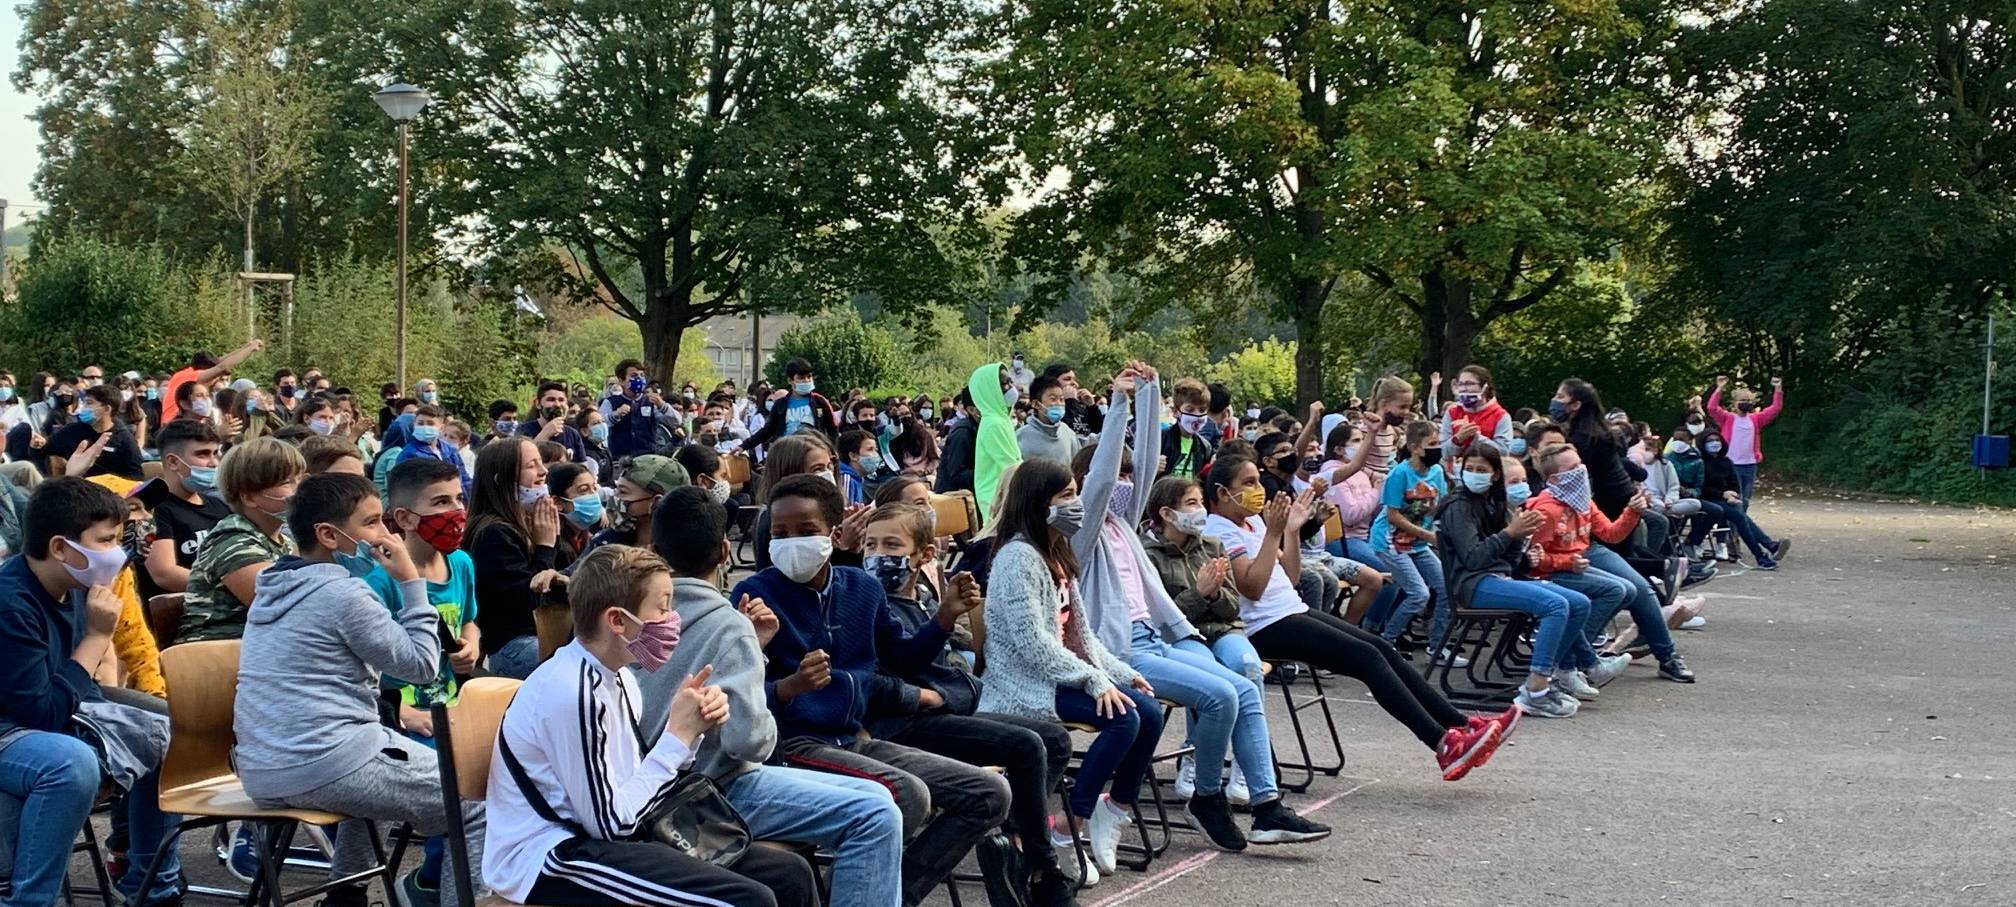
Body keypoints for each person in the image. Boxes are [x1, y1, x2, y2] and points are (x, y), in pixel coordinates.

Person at [1068, 365, 1328, 850]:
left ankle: (1265, 806)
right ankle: (1207, 796)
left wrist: (1150, 395)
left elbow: (1146, 465)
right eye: (1115, 476)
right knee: (1221, 696)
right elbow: (1102, 480)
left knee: (1243, 687)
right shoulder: (1078, 535)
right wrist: (1118, 403)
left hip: (1162, 637)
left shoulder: (1124, 525)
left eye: (1130, 476)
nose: (1126, 482)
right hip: (1120, 651)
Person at [732, 475, 1008, 905]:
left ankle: (889, 893)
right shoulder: (754, 595)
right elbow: (738, 698)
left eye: (807, 532)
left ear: (835, 534)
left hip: (855, 736)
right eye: (780, 534)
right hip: (794, 742)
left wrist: (944, 618)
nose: (792, 543)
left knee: (989, 794)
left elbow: (902, 659)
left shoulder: (861, 586)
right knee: (906, 796)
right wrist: (790, 687)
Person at [638, 487, 906, 907]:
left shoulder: (631, 616)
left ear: (654, 551)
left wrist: (755, 650)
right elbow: (750, 742)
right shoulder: (729, 624)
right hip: (707, 790)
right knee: (877, 817)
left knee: (877, 797)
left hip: (659, 785)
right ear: (726, 551)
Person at [231, 473, 485, 907]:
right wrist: (410, 583)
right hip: (324, 763)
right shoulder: (344, 594)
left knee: (381, 766)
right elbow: (423, 667)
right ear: (329, 535)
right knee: (477, 802)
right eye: (371, 524)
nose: (385, 535)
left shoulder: (274, 585)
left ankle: (345, 897)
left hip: (262, 767)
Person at [1200, 454, 1513, 781]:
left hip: (1290, 609)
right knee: (1367, 658)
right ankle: (1442, 744)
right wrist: (1272, 535)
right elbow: (1252, 587)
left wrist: (1290, 531)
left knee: (1382, 648)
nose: (1257, 489)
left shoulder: (1255, 522)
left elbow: (1290, 577)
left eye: (1256, 480)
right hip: (1263, 626)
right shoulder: (1219, 530)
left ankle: (1461, 725)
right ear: (1223, 493)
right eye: (1247, 483)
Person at [858, 503, 1080, 905]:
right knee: (1026, 746)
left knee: (1055, 741)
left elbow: (955, 671)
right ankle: (1039, 864)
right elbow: (876, 678)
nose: (878, 555)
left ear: (924, 555)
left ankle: (1013, 844)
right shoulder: (869, 601)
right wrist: (927, 694)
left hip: (939, 709)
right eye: (870, 545)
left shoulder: (923, 597)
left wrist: (947, 686)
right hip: (898, 724)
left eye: (891, 544)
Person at [0, 477, 185, 907]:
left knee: (166, 727)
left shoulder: (73, 586)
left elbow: (81, 692)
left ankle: (152, 887)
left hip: (53, 707)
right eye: (105, 541)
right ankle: (30, 901)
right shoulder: (12, 604)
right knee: (70, 764)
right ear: (61, 547)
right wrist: (97, 637)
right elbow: (41, 712)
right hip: (11, 726)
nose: (117, 554)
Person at [976, 459, 1161, 876]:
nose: (1076, 503)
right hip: (1023, 683)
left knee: (1148, 711)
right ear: (1037, 503)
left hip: (1059, 673)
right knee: (1123, 719)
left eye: (1075, 493)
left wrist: (1119, 672)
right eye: (1066, 496)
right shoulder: (1017, 558)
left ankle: (1113, 808)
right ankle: (1069, 824)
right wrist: (1093, 680)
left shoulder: (1056, 551)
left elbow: (1081, 635)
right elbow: (1032, 644)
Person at [1437, 446, 1628, 718]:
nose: (1474, 475)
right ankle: (1535, 689)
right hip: (1474, 584)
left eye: (1482, 470)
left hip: (1498, 577)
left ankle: (1554, 673)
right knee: (1555, 605)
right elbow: (1473, 559)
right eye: (1470, 468)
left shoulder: (1494, 502)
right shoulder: (1459, 506)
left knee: (1579, 603)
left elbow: (1511, 564)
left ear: (1494, 476)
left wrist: (1520, 541)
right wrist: (1509, 533)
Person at [1523, 441, 1698, 683]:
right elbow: (1534, 557)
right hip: (1561, 564)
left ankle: (1666, 656)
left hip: (1584, 552)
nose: (1581, 471)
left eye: (1580, 465)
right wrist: (1565, 563)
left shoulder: (1581, 499)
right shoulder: (1547, 508)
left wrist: (1632, 511)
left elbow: (1612, 534)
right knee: (1617, 589)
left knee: (1638, 588)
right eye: (1573, 468)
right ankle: (1571, 660)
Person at [178, 437, 304, 643]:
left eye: (300, 479)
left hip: (267, 652)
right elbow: (282, 608)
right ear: (249, 497)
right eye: (287, 482)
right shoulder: (232, 539)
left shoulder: (285, 542)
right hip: (216, 657)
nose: (299, 490)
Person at [465, 437, 565, 680]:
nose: (543, 472)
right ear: (502, 479)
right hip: (513, 645)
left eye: (541, 464)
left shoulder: (529, 523)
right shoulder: (493, 532)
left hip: (544, 635)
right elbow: (528, 600)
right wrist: (545, 547)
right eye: (532, 466)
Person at [1368, 420, 1456, 661]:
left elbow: (1438, 507)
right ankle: (1387, 642)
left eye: (1438, 443)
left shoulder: (1437, 472)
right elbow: (1393, 515)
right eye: (1432, 444)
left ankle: (1437, 646)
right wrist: (1427, 535)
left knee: (1445, 586)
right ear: (1415, 447)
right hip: (1391, 542)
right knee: (1419, 594)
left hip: (1417, 543)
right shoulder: (1399, 474)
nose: (1437, 449)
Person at [138, 419, 230, 602]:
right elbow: (164, 573)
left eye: (215, 453)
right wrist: (231, 588)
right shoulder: (150, 509)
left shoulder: (219, 505)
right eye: (203, 454)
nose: (213, 463)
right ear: (173, 462)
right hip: (186, 614)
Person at [1552, 378, 1646, 521]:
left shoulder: (1582, 438)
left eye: (1560, 397)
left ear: (1576, 404)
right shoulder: (1599, 431)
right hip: (1622, 494)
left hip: (1607, 503)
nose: (1554, 400)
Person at [1696, 428, 1788, 568]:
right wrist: (1722, 494)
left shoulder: (1726, 461)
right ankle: (1762, 553)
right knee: (1739, 516)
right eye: (1710, 441)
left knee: (1740, 514)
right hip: (1708, 499)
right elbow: (1701, 487)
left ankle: (1768, 548)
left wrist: (1734, 495)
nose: (1714, 443)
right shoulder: (1700, 462)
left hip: (1727, 499)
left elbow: (1734, 482)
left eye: (1716, 440)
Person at [1705, 375, 1785, 506]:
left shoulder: (1756, 419)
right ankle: (1735, 525)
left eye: (1748, 400)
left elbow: (1775, 409)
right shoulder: (1727, 418)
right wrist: (1719, 388)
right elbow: (1712, 408)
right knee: (1735, 498)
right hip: (1731, 464)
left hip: (1750, 465)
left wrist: (1778, 389)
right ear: (1734, 403)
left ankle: (1739, 525)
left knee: (1745, 500)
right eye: (1742, 400)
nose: (1745, 403)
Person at [44, 386, 143, 480]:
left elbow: (136, 475)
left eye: (89, 403)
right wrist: (36, 446)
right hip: (75, 487)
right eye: (84, 403)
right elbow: (45, 450)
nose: (84, 407)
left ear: (107, 409)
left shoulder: (124, 439)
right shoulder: (72, 430)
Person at [745, 360, 840, 449]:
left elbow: (833, 429)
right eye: (801, 378)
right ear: (790, 380)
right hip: (787, 454)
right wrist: (744, 446)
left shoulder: (820, 401)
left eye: (809, 376)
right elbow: (767, 431)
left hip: (813, 453)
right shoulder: (780, 404)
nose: (806, 380)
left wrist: (831, 450)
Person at [161, 340, 261, 423]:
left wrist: (246, 347)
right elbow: (222, 367)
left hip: (170, 423)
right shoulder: (195, 376)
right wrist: (251, 349)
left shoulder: (182, 374)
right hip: (177, 423)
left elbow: (219, 363)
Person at [1441, 365, 1514, 457]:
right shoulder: (1452, 412)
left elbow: (1503, 453)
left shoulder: (1500, 415)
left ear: (1485, 387)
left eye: (1469, 384)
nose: (1463, 389)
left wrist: (1476, 437)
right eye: (1460, 384)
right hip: (1454, 470)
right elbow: (1444, 453)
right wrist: (1458, 439)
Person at [517, 382, 590, 463]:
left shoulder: (572, 434)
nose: (557, 404)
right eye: (551, 400)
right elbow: (521, 461)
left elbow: (582, 468)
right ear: (538, 404)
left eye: (561, 400)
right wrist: (545, 434)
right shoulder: (524, 430)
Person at [1017, 372, 1081, 465]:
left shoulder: (1067, 433)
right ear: (1035, 404)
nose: (1059, 404)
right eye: (1053, 399)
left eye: (1062, 399)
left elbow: (1077, 465)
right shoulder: (1021, 437)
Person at [1161, 378, 1214, 479]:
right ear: (1176, 412)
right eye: (1190, 410)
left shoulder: (1205, 447)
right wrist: (1153, 467)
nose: (1197, 415)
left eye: (1202, 410)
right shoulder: (1161, 439)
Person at [933, 388, 979, 495]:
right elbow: (956, 474)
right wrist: (989, 472)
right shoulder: (962, 433)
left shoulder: (981, 428)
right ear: (972, 410)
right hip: (955, 498)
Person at [837, 429, 881, 506]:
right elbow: (847, 513)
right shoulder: (846, 479)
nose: (876, 455)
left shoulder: (857, 478)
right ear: (853, 456)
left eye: (876, 450)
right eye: (870, 449)